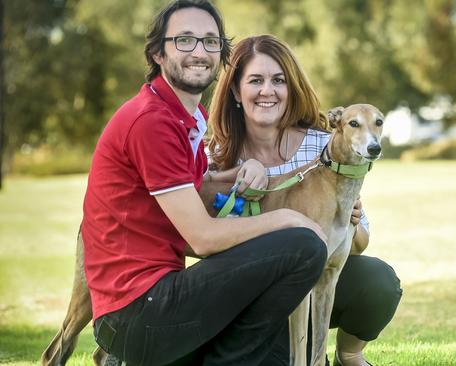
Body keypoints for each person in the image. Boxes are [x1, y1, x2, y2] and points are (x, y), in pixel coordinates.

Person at [81, 1, 329, 365]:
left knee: (278, 338)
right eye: (184, 40)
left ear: (221, 55)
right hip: (137, 311)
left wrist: (241, 172)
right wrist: (291, 219)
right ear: (157, 54)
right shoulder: (151, 121)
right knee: (301, 245)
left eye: (210, 42)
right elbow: (203, 238)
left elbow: (198, 186)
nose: (199, 51)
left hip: (160, 300)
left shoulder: (189, 116)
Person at [207, 34, 402, 366]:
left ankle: (348, 355)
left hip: (314, 277)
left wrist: (350, 221)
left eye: (278, 80)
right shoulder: (216, 155)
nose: (268, 90)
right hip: (246, 292)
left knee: (377, 280)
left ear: (291, 88)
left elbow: (358, 243)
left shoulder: (326, 146)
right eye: (256, 80)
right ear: (237, 91)